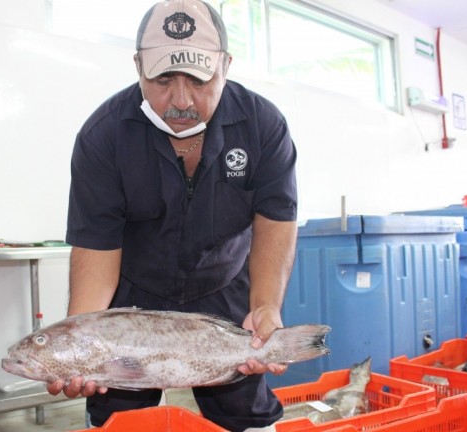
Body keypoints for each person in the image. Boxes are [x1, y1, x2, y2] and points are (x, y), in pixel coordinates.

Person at [48, 0, 298, 430]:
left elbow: (275, 221)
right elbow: (97, 249)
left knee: (248, 414)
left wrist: (264, 307)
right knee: (118, 418)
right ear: (138, 67)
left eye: (199, 79)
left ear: (226, 66)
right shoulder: (103, 136)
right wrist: (81, 343)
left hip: (223, 288)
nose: (180, 101)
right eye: (163, 78)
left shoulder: (263, 126)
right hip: (133, 295)